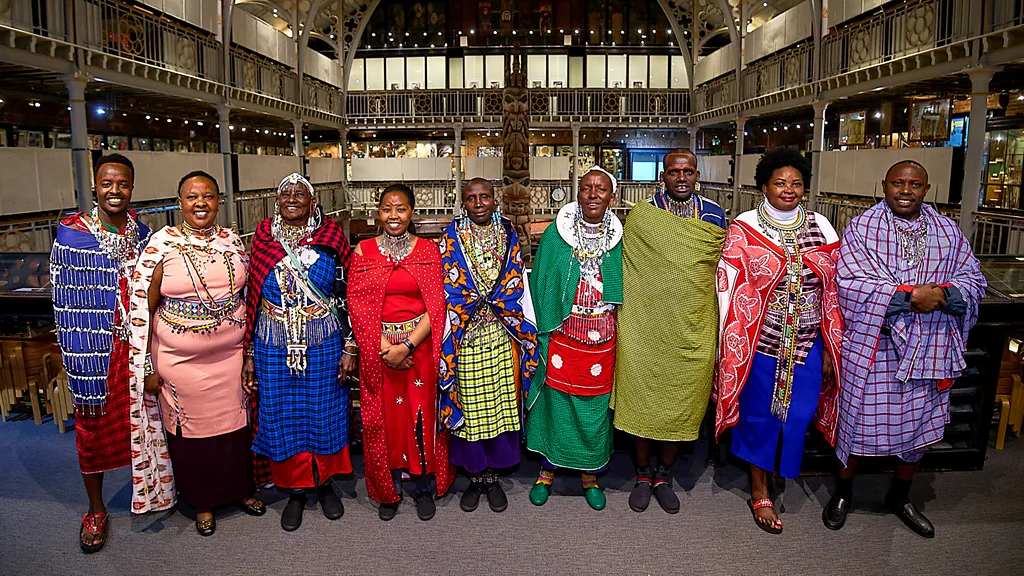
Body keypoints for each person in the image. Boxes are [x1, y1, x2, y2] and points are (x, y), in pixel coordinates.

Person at [824, 160, 985, 538]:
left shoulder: (947, 230)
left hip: (930, 347)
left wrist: (943, 295)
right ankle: (843, 492)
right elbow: (849, 283)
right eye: (898, 182)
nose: (905, 190)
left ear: (927, 189)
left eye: (915, 184)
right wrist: (912, 296)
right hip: (874, 347)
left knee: (915, 432)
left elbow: (972, 278)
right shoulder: (862, 228)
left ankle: (900, 496)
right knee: (857, 424)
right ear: (885, 185)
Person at [128, 171, 264, 537]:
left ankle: (239, 491)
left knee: (234, 430)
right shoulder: (161, 245)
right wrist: (144, 367)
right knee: (192, 436)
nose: (200, 203)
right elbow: (141, 308)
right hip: (180, 362)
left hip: (231, 357)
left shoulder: (232, 241)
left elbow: (247, 295)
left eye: (208, 196)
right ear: (180, 202)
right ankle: (202, 502)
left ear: (219, 201)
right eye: (192, 197)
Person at [715, 148, 843, 534]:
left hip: (807, 342)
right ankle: (759, 488)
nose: (789, 189)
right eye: (780, 183)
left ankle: (781, 470)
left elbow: (835, 287)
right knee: (760, 415)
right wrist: (734, 340)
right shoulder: (745, 225)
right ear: (764, 186)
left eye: (796, 183)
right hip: (760, 341)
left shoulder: (822, 225)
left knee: (798, 415)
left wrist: (828, 340)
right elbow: (730, 286)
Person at [51, 154, 164, 553]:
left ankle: (152, 491)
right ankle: (96, 509)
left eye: (123, 184)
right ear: (95, 186)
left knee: (147, 421)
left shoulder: (144, 234)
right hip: (94, 353)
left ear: (132, 187)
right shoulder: (72, 234)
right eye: (107, 183)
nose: (114, 191)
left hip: (136, 347)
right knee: (93, 430)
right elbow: (65, 299)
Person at [611, 150, 726, 514]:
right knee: (643, 401)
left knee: (681, 404)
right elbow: (625, 266)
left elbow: (723, 274)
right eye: (674, 171)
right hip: (644, 326)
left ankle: (664, 475)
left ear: (696, 175)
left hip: (693, 326)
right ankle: (643, 474)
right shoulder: (642, 216)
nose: (681, 177)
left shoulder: (714, 216)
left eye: (688, 171)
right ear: (663, 174)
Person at [242, 173, 358, 532]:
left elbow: (347, 293)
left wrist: (350, 346)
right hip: (272, 342)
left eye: (300, 194)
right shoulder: (263, 237)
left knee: (323, 412)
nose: (292, 198)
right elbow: (252, 297)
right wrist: (248, 354)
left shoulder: (332, 237)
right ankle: (294, 489)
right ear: (276, 201)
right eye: (285, 194)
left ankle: (323, 485)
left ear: (313, 202)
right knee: (282, 414)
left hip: (323, 340)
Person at [348, 184, 454, 521]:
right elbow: (356, 307)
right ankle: (387, 490)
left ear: (412, 214)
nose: (394, 216)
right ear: (378, 213)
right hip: (378, 351)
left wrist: (407, 346)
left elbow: (436, 305)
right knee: (384, 422)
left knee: (420, 419)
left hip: (420, 351)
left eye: (401, 209)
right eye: (387, 209)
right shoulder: (363, 252)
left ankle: (423, 485)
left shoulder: (427, 251)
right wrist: (386, 349)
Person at [439, 178, 540, 513]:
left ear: (495, 201)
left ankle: (493, 476)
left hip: (502, 332)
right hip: (465, 334)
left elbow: (517, 279)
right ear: (463, 203)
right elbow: (446, 285)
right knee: (469, 407)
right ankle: (474, 475)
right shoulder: (449, 238)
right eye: (471, 198)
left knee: (499, 406)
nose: (478, 203)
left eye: (484, 197)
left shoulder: (511, 234)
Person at [525, 166, 622, 511]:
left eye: (601, 189)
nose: (593, 194)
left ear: (612, 197)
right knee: (557, 404)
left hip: (603, 340)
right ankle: (546, 472)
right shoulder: (557, 234)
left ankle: (590, 476)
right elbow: (542, 281)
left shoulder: (621, 241)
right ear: (577, 193)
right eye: (586, 188)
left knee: (594, 409)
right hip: (563, 337)